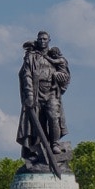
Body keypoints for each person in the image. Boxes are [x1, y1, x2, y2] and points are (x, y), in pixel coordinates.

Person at [17, 31, 70, 173]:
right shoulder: (31, 57)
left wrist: (60, 76)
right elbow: (26, 74)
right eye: (40, 39)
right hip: (36, 94)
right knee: (37, 124)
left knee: (53, 117)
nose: (42, 41)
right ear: (37, 40)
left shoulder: (54, 56)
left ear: (49, 40)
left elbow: (65, 74)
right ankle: (36, 151)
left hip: (51, 92)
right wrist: (28, 94)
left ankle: (54, 144)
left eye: (45, 39)